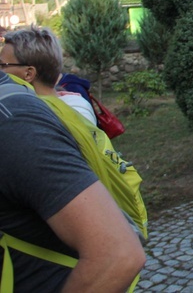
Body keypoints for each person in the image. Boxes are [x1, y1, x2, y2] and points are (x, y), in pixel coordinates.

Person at [0, 58, 145, 289]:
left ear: (30, 72)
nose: (3, 67)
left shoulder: (14, 123)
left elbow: (118, 255)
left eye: (5, 62)